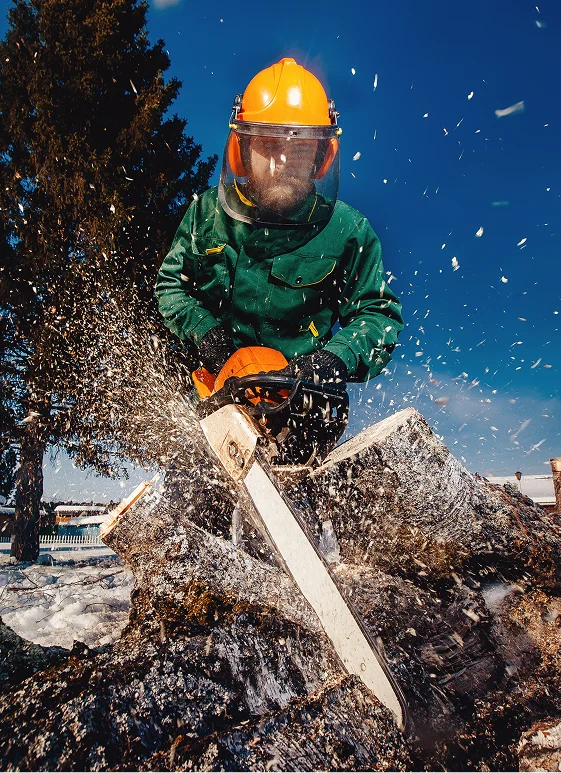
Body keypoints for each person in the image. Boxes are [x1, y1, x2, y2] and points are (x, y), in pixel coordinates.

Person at [155, 57, 404, 391]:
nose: (282, 164)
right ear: (241, 151)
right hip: (213, 389)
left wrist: (334, 359)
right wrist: (205, 334)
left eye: (299, 150)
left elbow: (377, 315)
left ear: (321, 156)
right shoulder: (207, 213)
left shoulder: (348, 231)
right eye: (269, 146)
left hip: (302, 400)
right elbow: (172, 286)